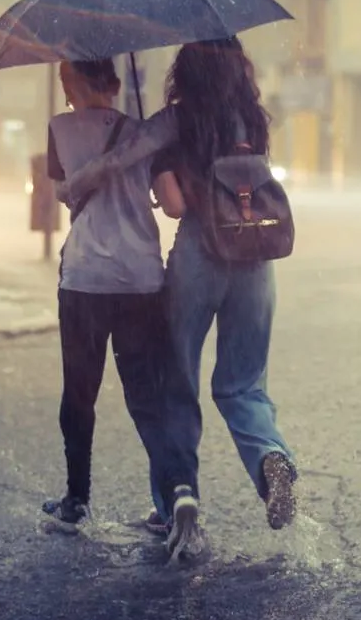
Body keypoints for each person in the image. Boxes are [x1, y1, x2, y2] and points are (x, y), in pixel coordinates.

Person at [59, 37, 298, 535]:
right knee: (242, 383)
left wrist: (78, 181)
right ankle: (271, 459)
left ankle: (177, 502)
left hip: (199, 255)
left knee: (176, 384)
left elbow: (130, 164)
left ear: (185, 74)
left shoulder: (178, 118)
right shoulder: (254, 118)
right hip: (256, 258)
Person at [40, 58, 201, 551]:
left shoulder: (59, 131)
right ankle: (178, 490)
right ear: (113, 83)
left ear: (72, 83)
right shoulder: (145, 134)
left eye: (66, 79)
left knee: (80, 394)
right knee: (147, 397)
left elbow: (63, 195)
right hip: (141, 281)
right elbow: (174, 204)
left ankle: (76, 501)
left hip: (86, 281)